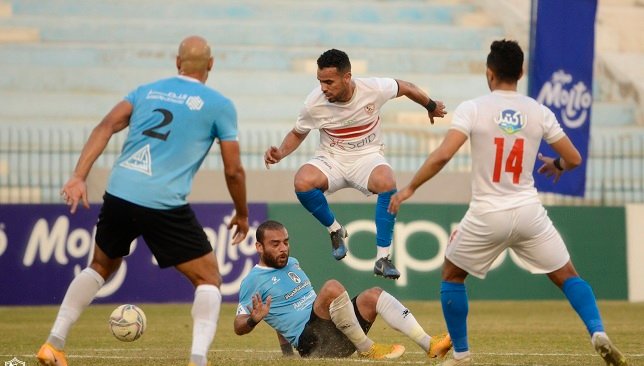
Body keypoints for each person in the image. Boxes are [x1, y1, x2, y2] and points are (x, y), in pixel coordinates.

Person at [388, 40, 628, 366]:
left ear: (490, 72)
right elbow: (573, 157)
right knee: (569, 276)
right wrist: (555, 166)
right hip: (530, 212)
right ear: (521, 72)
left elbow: (444, 154)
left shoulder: (474, 108)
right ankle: (597, 331)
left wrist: (410, 188)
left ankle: (460, 355)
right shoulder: (538, 111)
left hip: (488, 213)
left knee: (452, 275)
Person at [36, 35, 249, 366]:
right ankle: (197, 360)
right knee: (208, 278)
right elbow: (234, 169)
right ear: (211, 64)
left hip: (120, 192)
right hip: (162, 202)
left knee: (100, 266)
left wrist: (78, 175)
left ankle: (53, 343)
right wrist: (242, 212)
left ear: (177, 62)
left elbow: (105, 126)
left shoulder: (146, 91)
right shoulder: (219, 104)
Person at [263, 49, 447, 280]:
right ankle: (335, 230)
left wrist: (430, 105)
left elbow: (407, 87)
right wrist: (280, 153)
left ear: (347, 77)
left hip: (367, 157)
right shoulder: (313, 104)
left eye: (329, 82)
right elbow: (298, 133)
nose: (323, 88)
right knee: (302, 181)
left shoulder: (373, 88)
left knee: (387, 182)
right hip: (331, 158)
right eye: (320, 81)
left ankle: (383, 259)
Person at [233, 220, 453, 360]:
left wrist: (286, 356)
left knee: (373, 295)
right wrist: (253, 320)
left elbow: (281, 311)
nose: (283, 248)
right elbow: (239, 326)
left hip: (337, 336)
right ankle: (367, 349)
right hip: (313, 344)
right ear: (259, 247)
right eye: (275, 244)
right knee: (331, 288)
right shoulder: (252, 281)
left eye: (286, 242)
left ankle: (429, 344)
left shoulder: (292, 263)